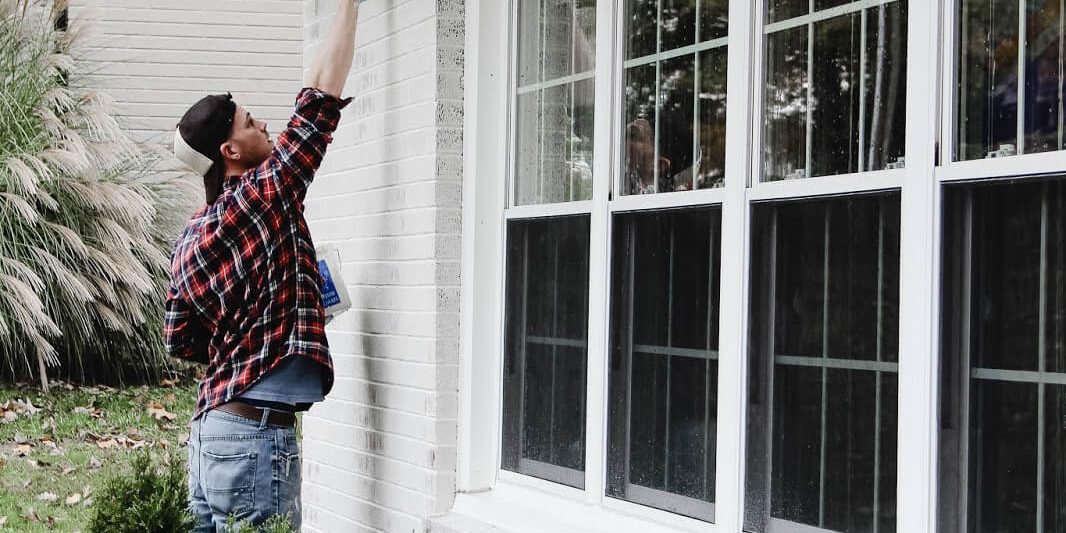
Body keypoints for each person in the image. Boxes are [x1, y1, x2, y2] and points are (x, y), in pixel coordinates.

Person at [163, 1, 360, 529]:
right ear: (230, 148)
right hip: (253, 437)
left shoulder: (194, 233)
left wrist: (253, 325)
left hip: (212, 432)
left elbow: (180, 339)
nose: (264, 122)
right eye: (251, 122)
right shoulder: (262, 196)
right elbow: (318, 107)